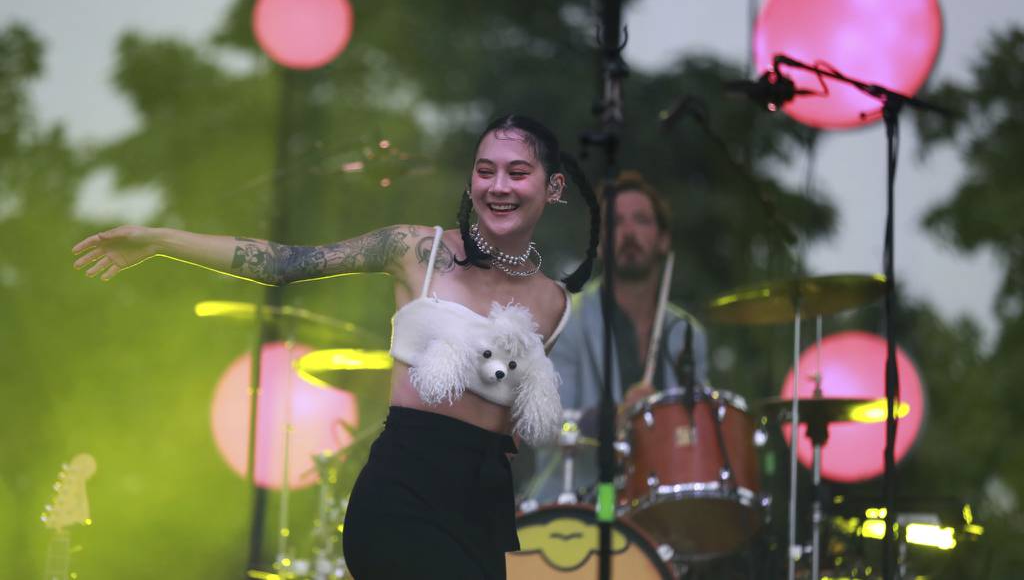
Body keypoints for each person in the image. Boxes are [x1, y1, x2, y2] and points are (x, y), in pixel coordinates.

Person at [71, 114, 600, 580]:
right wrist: (163, 242)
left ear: (553, 188)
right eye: (485, 171)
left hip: (480, 513)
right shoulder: (419, 249)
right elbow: (285, 262)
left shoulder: (553, 302)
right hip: (401, 499)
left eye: (517, 172)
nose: (498, 186)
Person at [523, 170, 709, 503]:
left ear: (663, 240)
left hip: (655, 510)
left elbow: (694, 436)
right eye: (615, 223)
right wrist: (618, 418)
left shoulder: (687, 334)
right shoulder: (565, 318)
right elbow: (542, 424)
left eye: (641, 220)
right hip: (572, 507)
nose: (629, 232)